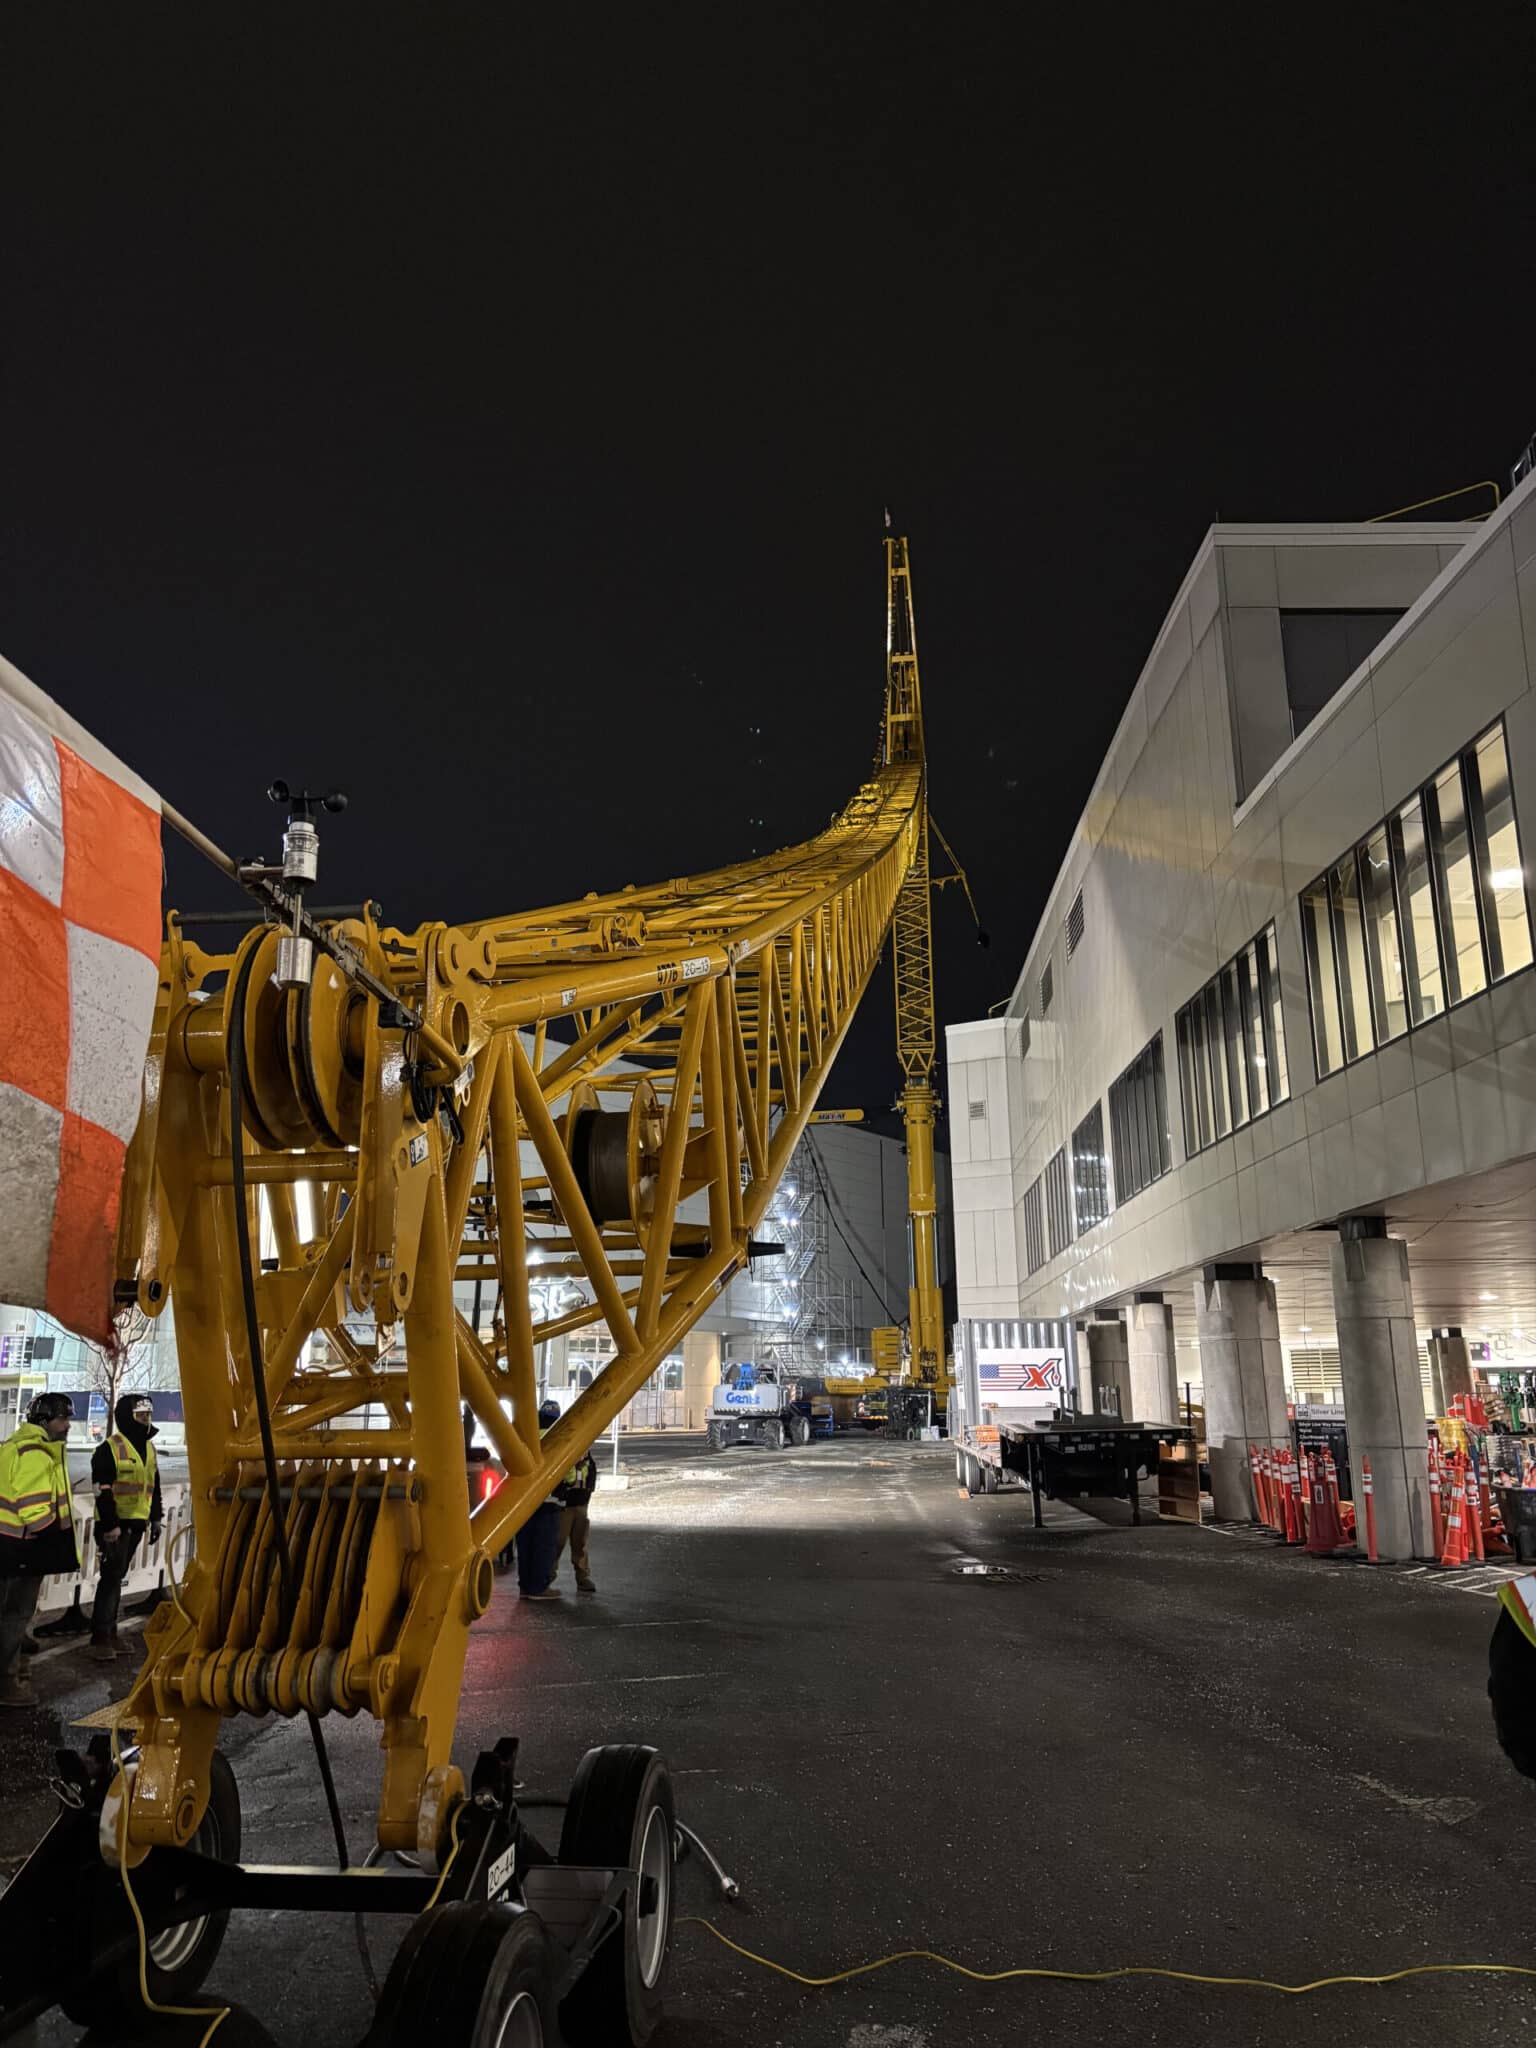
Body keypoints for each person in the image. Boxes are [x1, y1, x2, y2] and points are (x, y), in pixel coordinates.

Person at [0, 1393, 79, 1706]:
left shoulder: (15, 1445)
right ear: (45, 1421)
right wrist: (53, 1539)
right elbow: (33, 1510)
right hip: (22, 1548)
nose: (68, 1425)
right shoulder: (36, 1453)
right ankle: (7, 1686)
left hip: (8, 1544)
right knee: (14, 1617)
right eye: (63, 1419)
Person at [89, 1394, 163, 1661]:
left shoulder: (148, 1449)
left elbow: (154, 1488)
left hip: (136, 1523)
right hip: (115, 1526)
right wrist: (110, 1526)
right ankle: (101, 1637)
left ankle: (109, 1631)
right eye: (141, 1416)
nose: (146, 1420)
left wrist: (155, 1518)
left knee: (116, 1578)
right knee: (110, 1580)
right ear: (127, 1417)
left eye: (148, 1415)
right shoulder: (110, 1449)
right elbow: (101, 1490)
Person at [515, 1400, 567, 1601]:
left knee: (525, 1545)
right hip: (549, 1500)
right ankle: (539, 1587)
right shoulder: (558, 1437)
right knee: (543, 1546)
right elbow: (568, 1471)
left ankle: (525, 1586)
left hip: (524, 1502)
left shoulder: (526, 1438)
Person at [553, 1443, 598, 1593]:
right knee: (557, 1543)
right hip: (565, 1506)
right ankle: (546, 1578)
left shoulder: (588, 1462)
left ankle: (582, 1577)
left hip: (580, 1506)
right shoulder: (566, 1458)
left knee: (580, 1543)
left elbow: (590, 1482)